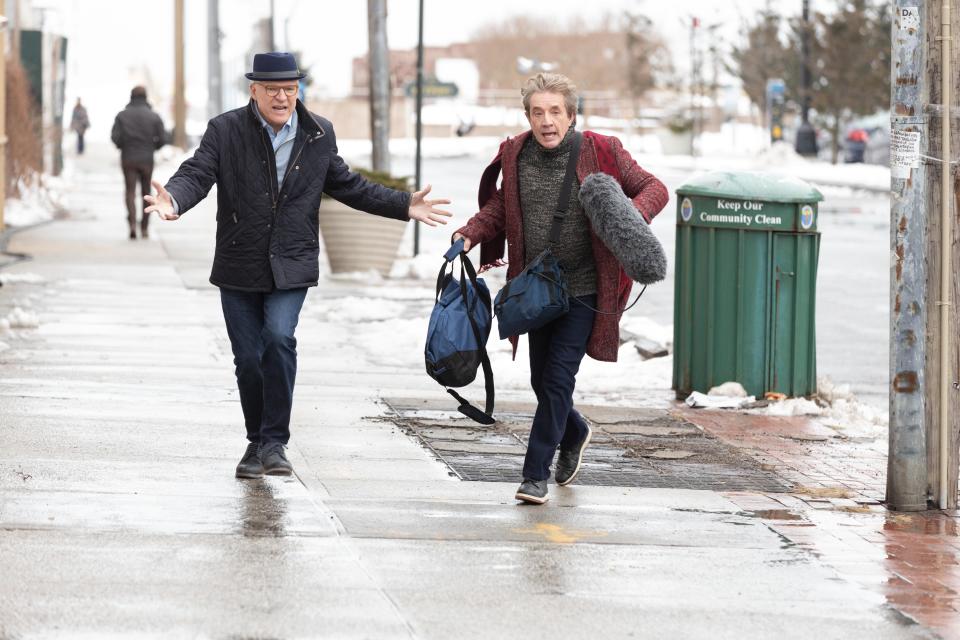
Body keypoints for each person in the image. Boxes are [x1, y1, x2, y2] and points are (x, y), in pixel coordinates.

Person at [143, 52, 452, 480]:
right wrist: (173, 199)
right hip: (239, 260)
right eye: (273, 89)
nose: (282, 96)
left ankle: (275, 443)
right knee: (248, 358)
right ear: (254, 91)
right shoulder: (226, 130)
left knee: (278, 338)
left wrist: (403, 205)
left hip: (291, 261)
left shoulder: (318, 133)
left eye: (290, 88)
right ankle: (257, 441)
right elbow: (198, 172)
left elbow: (348, 185)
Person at [453, 73, 668, 505]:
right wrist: (470, 234)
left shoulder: (601, 150)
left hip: (585, 289)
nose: (546, 121)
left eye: (555, 112)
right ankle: (575, 430)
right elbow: (499, 205)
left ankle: (534, 475)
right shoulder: (515, 154)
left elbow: (654, 189)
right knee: (541, 380)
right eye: (538, 112)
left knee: (556, 380)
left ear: (571, 116)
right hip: (538, 289)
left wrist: (625, 217)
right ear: (527, 116)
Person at [111, 86, 166, 240]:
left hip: (128, 158)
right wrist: (152, 147)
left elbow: (115, 137)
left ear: (131, 97)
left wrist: (124, 145)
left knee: (130, 191)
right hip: (147, 159)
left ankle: (132, 224)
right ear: (145, 97)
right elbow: (163, 138)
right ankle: (144, 227)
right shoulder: (154, 116)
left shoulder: (122, 116)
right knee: (146, 193)